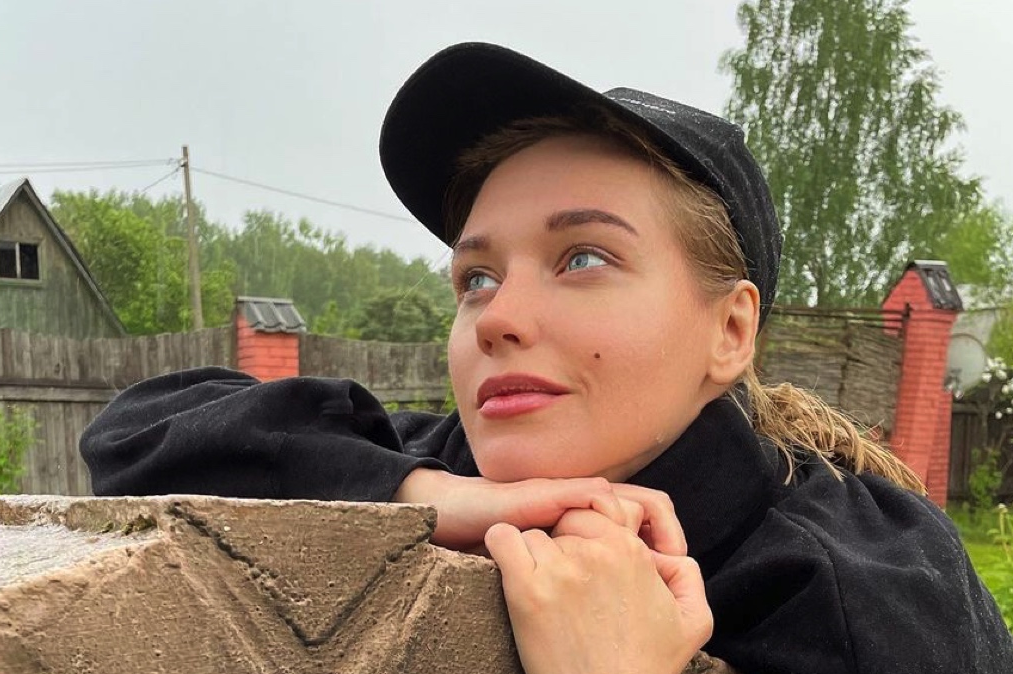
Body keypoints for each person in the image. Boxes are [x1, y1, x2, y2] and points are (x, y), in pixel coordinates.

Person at [80, 43, 1013, 673]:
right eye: (477, 277)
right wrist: (427, 498)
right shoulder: (458, 464)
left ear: (730, 332)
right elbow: (135, 434)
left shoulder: (862, 596)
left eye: (583, 258)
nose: (498, 317)